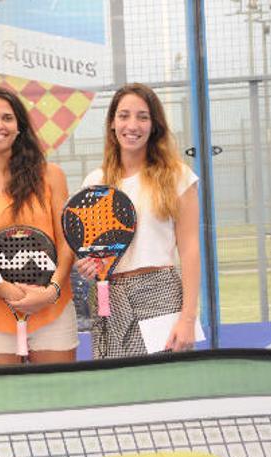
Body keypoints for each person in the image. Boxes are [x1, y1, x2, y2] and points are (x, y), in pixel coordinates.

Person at [0, 87, 78, 366]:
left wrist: (51, 292)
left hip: (53, 310)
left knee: (60, 399)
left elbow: (68, 242)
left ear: (19, 126)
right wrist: (13, 294)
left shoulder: (52, 176)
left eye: (7, 118)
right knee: (1, 404)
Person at [76, 82, 200, 358]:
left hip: (160, 297)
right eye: (124, 116)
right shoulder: (94, 183)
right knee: (114, 392)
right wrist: (88, 266)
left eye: (142, 117)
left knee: (160, 392)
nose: (132, 125)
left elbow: (190, 249)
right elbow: (94, 251)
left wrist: (188, 319)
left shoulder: (178, 177)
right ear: (111, 123)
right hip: (110, 299)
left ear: (154, 125)